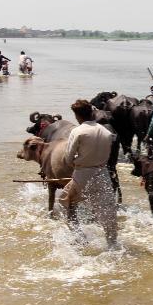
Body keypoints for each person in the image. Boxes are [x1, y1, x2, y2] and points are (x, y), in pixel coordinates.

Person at [60, 99, 118, 247]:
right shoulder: (106, 132)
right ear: (92, 112)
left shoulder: (78, 131)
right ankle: (112, 244)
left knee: (65, 202)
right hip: (103, 175)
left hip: (82, 177)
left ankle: (79, 238)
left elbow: (67, 157)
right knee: (107, 213)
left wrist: (78, 164)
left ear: (77, 116)